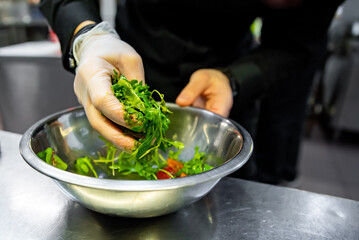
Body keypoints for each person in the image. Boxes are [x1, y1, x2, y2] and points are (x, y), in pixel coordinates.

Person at [39, 0, 343, 184]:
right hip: (133, 57)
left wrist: (233, 79)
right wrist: (89, 37)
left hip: (226, 80)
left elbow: (299, 45)